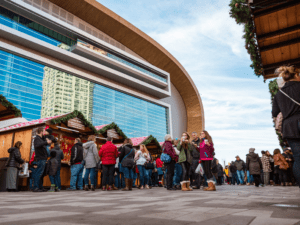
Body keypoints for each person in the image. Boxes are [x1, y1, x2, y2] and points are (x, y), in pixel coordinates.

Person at [272, 65, 300, 188]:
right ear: (296, 75)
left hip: (290, 127)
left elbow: (274, 113)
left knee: (298, 158)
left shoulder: (279, 94)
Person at [33, 127, 52, 192]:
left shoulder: (41, 138)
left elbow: (45, 140)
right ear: (41, 132)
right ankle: (36, 187)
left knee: (41, 173)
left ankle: (40, 187)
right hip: (40, 158)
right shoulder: (37, 138)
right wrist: (46, 142)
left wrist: (46, 141)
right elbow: (37, 145)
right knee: (39, 173)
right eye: (44, 131)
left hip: (43, 158)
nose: (45, 132)